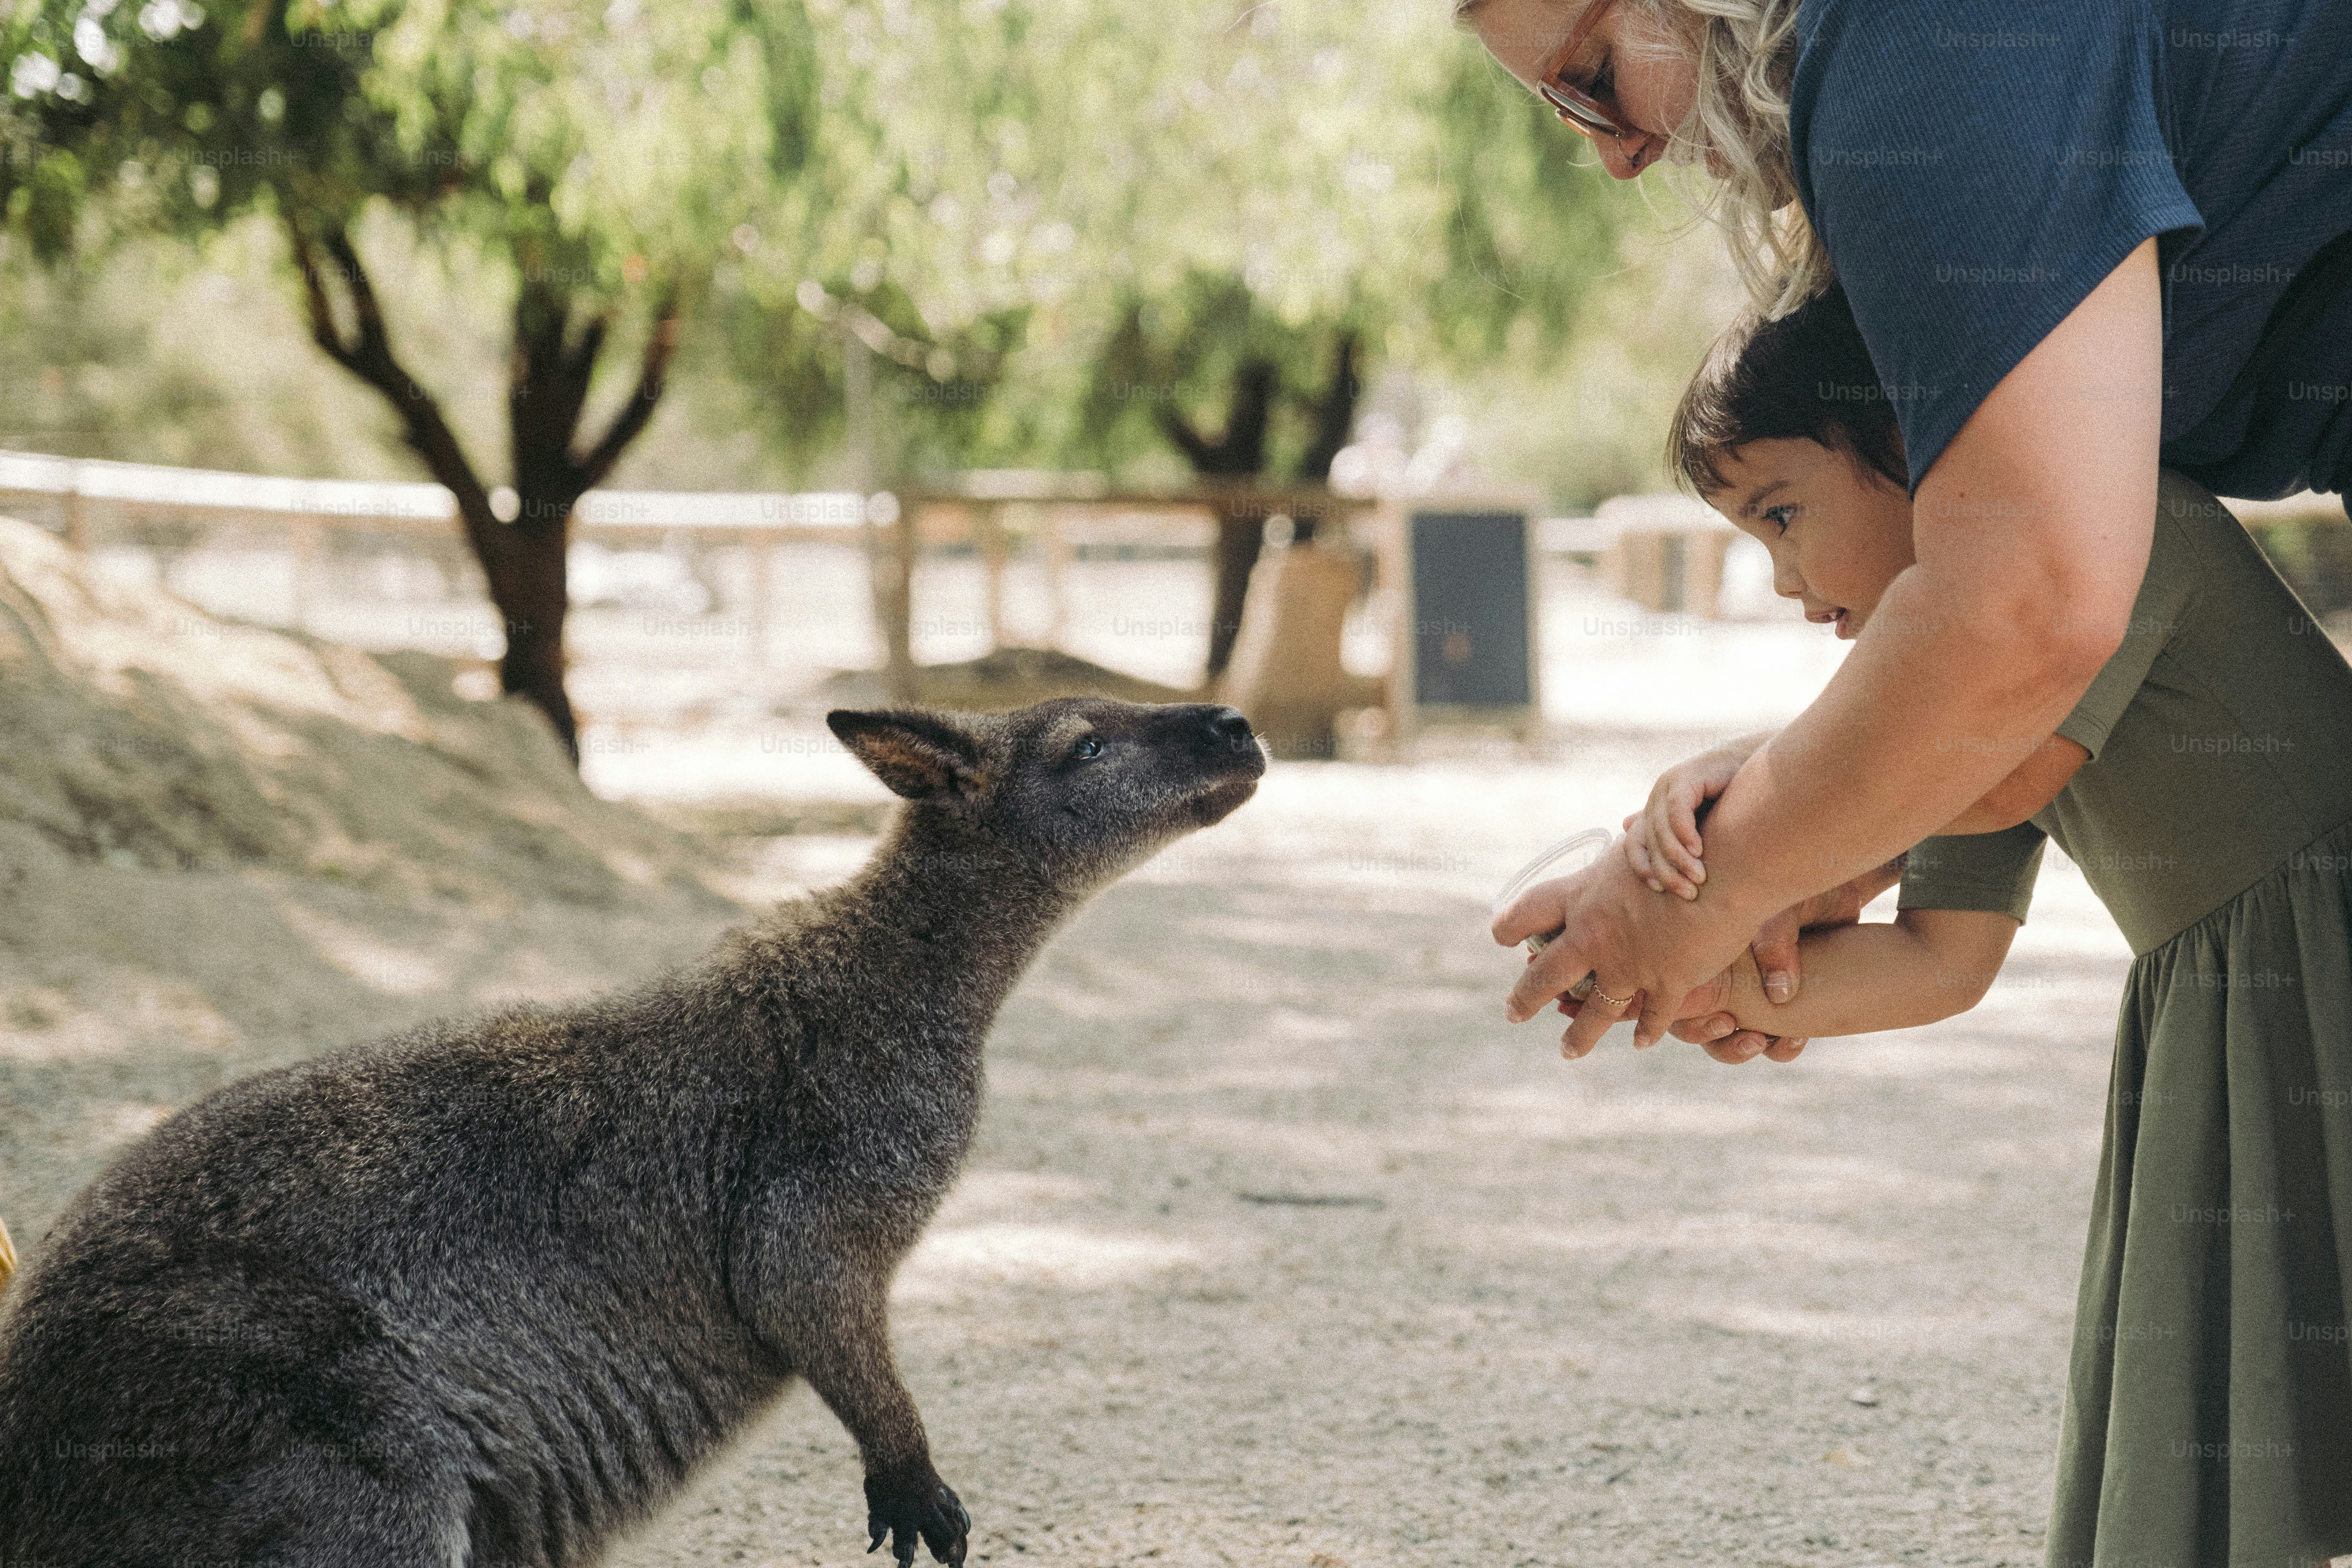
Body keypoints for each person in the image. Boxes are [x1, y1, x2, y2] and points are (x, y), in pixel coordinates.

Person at [1592, 281, 2352, 1568]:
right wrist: (1717, 986)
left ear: (1908, 442)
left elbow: (1985, 778)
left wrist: (1751, 797)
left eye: (1784, 514)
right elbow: (1943, 957)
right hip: (2221, 1001)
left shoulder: (2105, 532)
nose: (1781, 578)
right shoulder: (1957, 664)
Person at [1463, 0, 2352, 1062]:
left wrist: (1710, 888)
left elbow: (2025, 607)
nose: (1615, 155)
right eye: (1566, 112)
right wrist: (1783, 868)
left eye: (1592, 77)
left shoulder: (1917, 40)